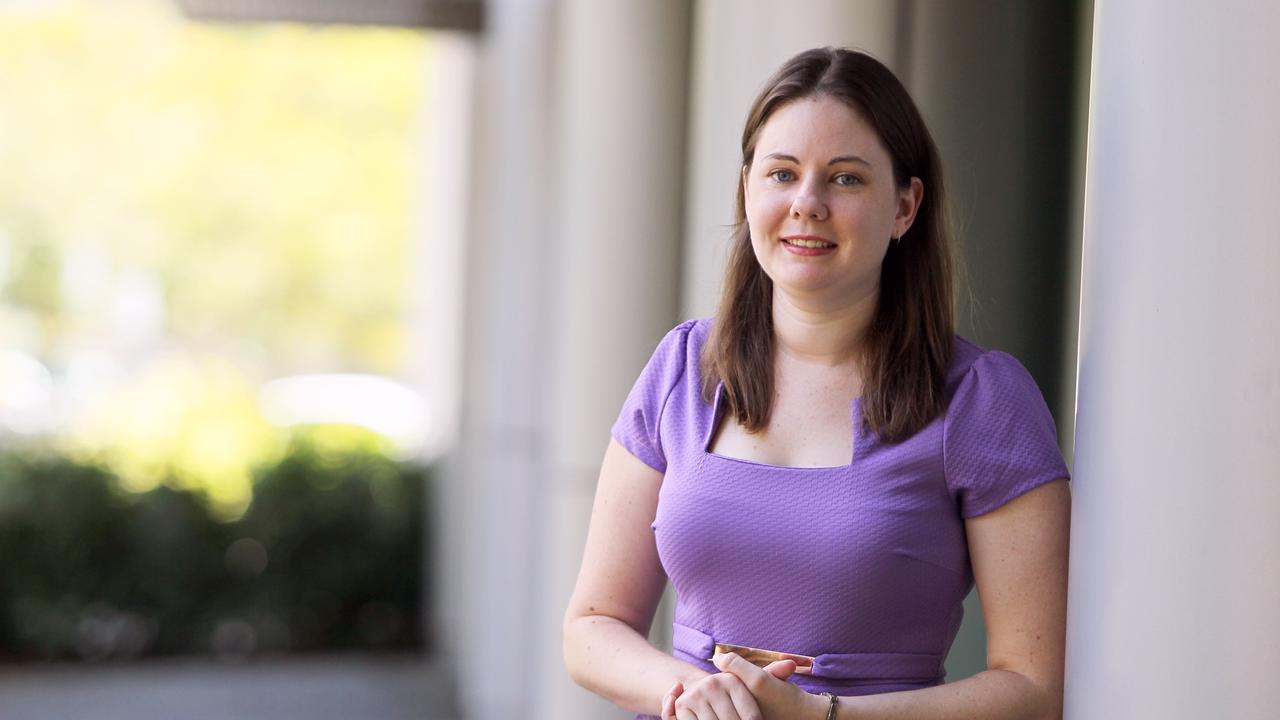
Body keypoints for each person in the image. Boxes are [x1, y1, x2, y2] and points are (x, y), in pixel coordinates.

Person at [563, 47, 1070, 720]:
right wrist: (687, 692)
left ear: (906, 206)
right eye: (782, 173)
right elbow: (592, 625)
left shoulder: (981, 401)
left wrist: (824, 717)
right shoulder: (683, 368)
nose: (808, 204)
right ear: (749, 189)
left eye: (846, 180)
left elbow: (1035, 688)